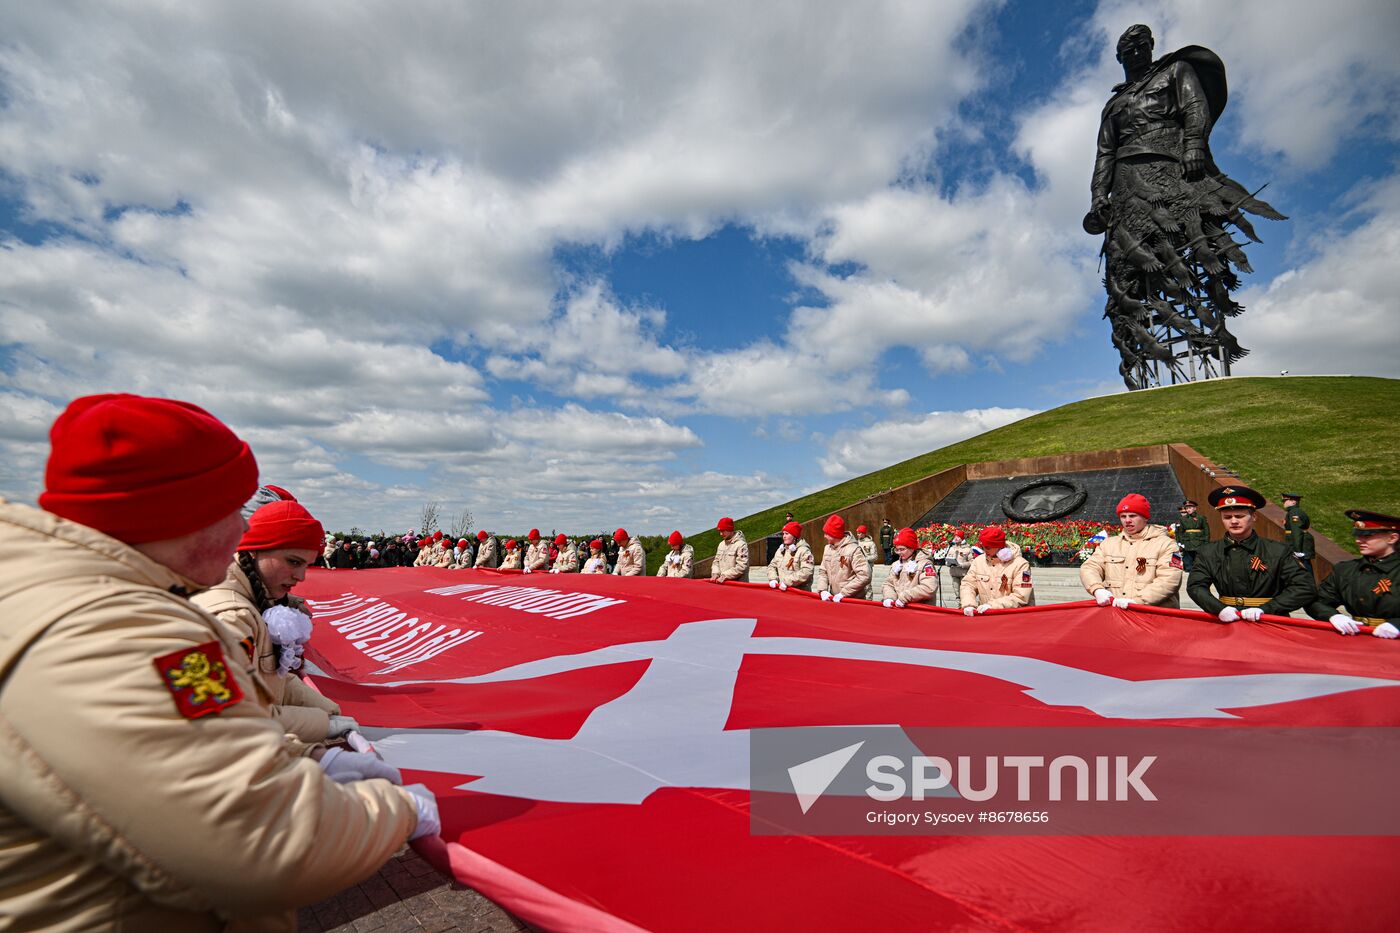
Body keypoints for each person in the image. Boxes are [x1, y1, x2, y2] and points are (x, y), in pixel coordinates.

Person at [0, 394, 437, 930]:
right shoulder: (131, 631)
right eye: (230, 513)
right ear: (181, 513)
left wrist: (304, 750)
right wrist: (398, 813)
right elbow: (260, 840)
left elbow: (198, 742)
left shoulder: (56, 592)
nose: (239, 535)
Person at [192, 499, 355, 742]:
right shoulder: (231, 617)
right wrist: (321, 724)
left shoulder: (254, 599)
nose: (300, 577)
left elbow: (270, 680)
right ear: (255, 550)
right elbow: (227, 718)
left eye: (307, 566)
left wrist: (329, 711)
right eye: (293, 561)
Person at [1186, 486, 1315, 623]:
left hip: (1269, 620)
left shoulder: (1278, 550)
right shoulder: (1209, 552)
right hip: (1227, 620)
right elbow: (1196, 586)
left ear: (1254, 516)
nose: (1234, 521)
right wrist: (1219, 609)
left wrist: (1267, 609)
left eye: (1240, 516)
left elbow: (1304, 587)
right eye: (1227, 517)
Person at [1307, 510, 1400, 638]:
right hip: (1355, 639)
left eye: (1367, 536)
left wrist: (1397, 625)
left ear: (1392, 538)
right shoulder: (1346, 569)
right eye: (1358, 535)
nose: (1358, 541)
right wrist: (1332, 616)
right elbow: (1317, 601)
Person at [1080, 493, 1183, 608]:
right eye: (1123, 516)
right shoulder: (1109, 544)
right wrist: (1097, 589)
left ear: (1145, 517)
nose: (1127, 520)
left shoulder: (1166, 544)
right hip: (1117, 614)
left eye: (1133, 516)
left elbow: (1169, 580)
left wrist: (1137, 601)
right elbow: (1090, 567)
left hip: (1153, 616)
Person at [960, 525, 1034, 614]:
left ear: (999, 546)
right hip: (987, 615)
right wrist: (969, 604)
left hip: (1014, 617)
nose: (984, 550)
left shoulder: (1021, 564)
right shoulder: (978, 561)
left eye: (988, 547)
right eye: (982, 547)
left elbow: (1021, 596)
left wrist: (993, 606)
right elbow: (968, 584)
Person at [813, 515, 871, 603]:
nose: (824, 536)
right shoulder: (827, 548)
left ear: (834, 534)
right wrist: (823, 590)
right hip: (834, 599)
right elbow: (823, 572)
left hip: (851, 600)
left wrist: (843, 593)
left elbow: (864, 575)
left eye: (826, 533)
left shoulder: (853, 549)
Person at [882, 528, 939, 608]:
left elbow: (929, 587)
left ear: (912, 548)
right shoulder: (896, 565)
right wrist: (889, 597)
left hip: (919, 610)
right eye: (897, 549)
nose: (899, 553)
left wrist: (905, 597)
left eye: (902, 549)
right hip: (899, 609)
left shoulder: (925, 564)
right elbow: (888, 584)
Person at [767, 521, 816, 591]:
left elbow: (807, 571)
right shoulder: (780, 550)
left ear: (794, 536)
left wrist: (787, 581)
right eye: (783, 534)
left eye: (787, 534)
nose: (784, 536)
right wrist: (773, 578)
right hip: (782, 591)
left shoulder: (804, 551)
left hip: (798, 593)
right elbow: (772, 566)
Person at [1281, 493, 1315, 576]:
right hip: (1299, 544)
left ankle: (1310, 587)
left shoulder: (1294, 512)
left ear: (1293, 502)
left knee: (1304, 568)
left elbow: (1296, 531)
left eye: (1285, 500)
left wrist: (1297, 550)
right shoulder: (1293, 512)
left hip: (1300, 546)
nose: (1283, 502)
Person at [710, 517, 750, 583]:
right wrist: (715, 573)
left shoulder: (741, 545)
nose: (721, 534)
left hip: (737, 586)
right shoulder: (721, 544)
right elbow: (716, 561)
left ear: (730, 529)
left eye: (723, 531)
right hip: (722, 583)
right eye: (720, 531)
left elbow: (741, 566)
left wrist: (725, 575)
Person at [1175, 499, 1210, 572]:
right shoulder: (1182, 519)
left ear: (1195, 508)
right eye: (1187, 508)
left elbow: (1206, 530)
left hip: (1199, 541)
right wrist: (1181, 542)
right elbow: (1180, 532)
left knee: (1199, 557)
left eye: (1190, 508)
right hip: (1188, 541)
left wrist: (1206, 541)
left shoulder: (1201, 518)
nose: (1188, 510)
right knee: (1188, 557)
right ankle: (1189, 570)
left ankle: (1200, 570)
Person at [945, 530, 974, 599]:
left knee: (964, 592)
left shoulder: (968, 549)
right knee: (957, 592)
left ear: (962, 538)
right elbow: (947, 558)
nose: (956, 538)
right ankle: (959, 606)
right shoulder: (951, 548)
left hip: (963, 574)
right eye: (955, 536)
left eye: (958, 537)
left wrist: (962, 564)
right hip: (954, 573)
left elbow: (972, 562)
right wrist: (948, 563)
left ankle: (964, 606)